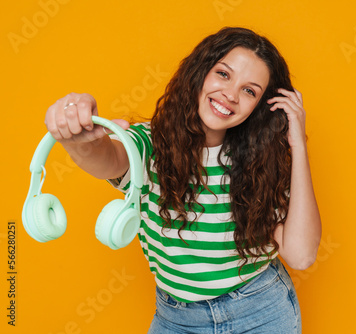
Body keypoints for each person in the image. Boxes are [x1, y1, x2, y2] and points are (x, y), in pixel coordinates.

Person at [44, 27, 321, 333]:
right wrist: (77, 137)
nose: (230, 95)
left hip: (260, 311)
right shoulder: (150, 144)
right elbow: (106, 158)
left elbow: (301, 254)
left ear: (260, 106)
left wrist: (297, 144)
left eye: (249, 90)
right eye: (223, 74)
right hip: (177, 319)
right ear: (200, 73)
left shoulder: (261, 162)